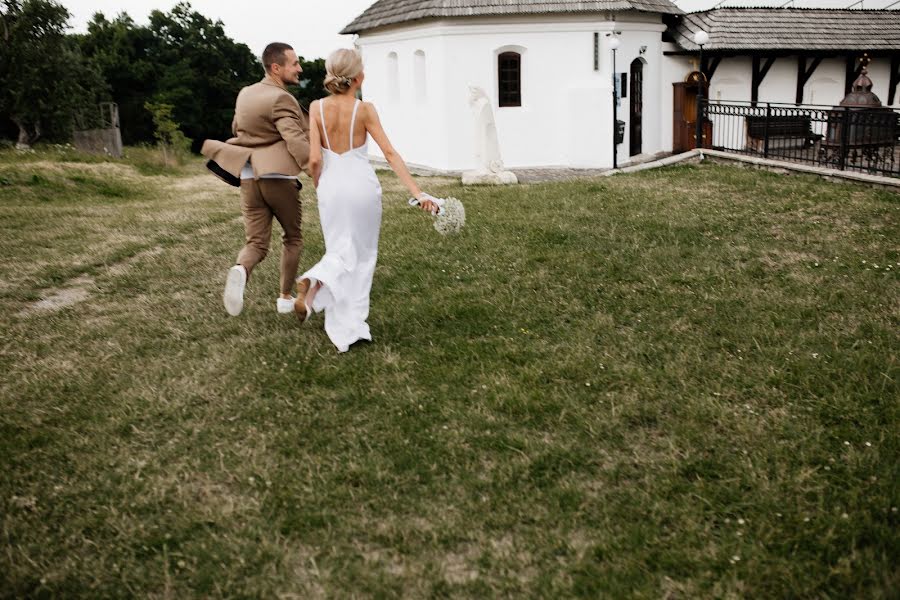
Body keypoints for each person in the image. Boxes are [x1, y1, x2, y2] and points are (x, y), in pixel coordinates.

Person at [295, 48, 437, 352]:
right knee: (362, 257)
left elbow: (315, 159)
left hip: (331, 188)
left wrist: (320, 184)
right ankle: (351, 325)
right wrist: (417, 192)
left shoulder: (316, 108)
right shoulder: (365, 109)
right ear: (359, 76)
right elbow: (389, 153)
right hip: (361, 186)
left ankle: (316, 285)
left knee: (339, 247)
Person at [201, 42, 310, 318]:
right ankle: (285, 298)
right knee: (293, 237)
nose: (299, 68)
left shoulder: (245, 93)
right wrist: (314, 168)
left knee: (256, 243)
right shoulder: (282, 98)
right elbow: (294, 138)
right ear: (276, 67)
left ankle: (241, 269)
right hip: (277, 178)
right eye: (294, 63)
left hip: (248, 177)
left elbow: (237, 128)